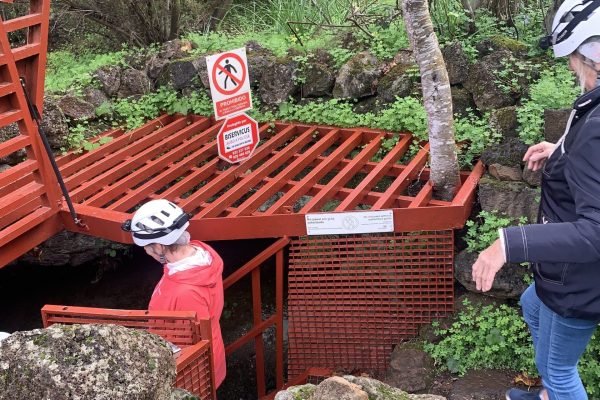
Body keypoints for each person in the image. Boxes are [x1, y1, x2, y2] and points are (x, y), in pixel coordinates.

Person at [471, 1, 600, 399]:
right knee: (530, 304)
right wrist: (559, 150)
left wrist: (508, 244)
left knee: (560, 372)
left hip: (579, 281)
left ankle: (552, 390)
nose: (570, 67)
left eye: (574, 59)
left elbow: (595, 233)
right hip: (564, 275)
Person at [122, 199, 226, 388]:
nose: (145, 251)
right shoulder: (201, 253)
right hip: (210, 354)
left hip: (194, 374)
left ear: (161, 247)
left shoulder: (185, 292)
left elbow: (189, 346)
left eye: (147, 246)